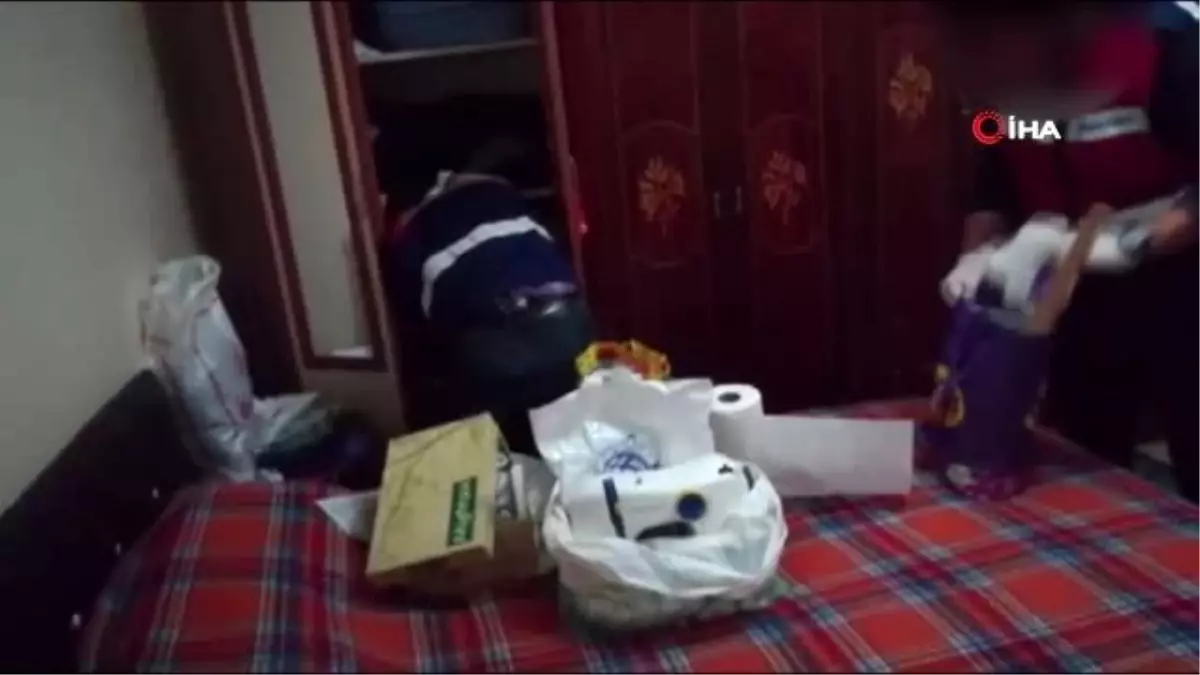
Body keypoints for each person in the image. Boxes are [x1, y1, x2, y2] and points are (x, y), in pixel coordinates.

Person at [934, 2, 1200, 501]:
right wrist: (976, 257)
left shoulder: (1169, 46)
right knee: (1087, 461)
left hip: (1183, 288)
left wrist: (1113, 245)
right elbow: (994, 177)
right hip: (1080, 298)